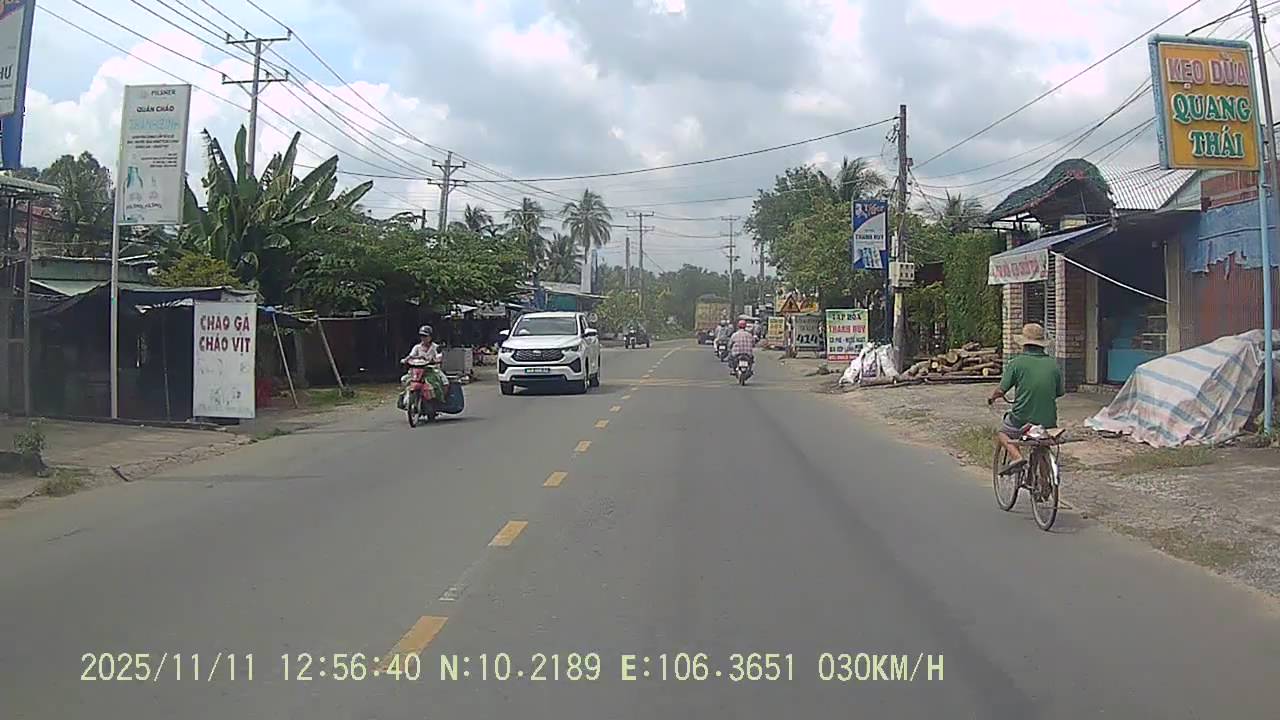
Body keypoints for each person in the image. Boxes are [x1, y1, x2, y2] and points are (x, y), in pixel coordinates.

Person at [987, 323, 1064, 476]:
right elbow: (1059, 392)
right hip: (1048, 420)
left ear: (1024, 344)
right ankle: (1045, 483)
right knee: (1043, 444)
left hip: (1022, 419)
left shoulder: (1016, 363)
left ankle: (1017, 457)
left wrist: (992, 397)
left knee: (1002, 433)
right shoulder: (1053, 364)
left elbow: (1001, 390)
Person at [401, 325, 448, 403]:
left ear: (431, 337)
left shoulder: (435, 347)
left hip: (432, 370)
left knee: (445, 382)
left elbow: (439, 356)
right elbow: (410, 356)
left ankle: (441, 400)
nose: (423, 338)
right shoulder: (417, 347)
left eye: (425, 336)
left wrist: (435, 360)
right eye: (422, 336)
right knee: (404, 379)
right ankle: (406, 399)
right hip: (417, 371)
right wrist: (405, 360)